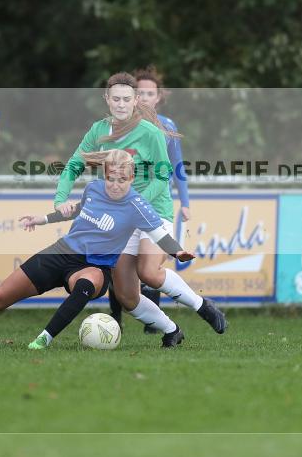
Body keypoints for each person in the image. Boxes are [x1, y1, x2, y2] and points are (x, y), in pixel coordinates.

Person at [0, 150, 195, 349]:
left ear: (131, 179)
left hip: (95, 266)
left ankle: (44, 338)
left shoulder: (137, 205)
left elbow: (159, 233)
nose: (115, 184)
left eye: (121, 179)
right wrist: (42, 219)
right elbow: (75, 210)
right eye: (110, 178)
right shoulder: (93, 189)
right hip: (61, 252)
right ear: (103, 176)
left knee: (86, 284)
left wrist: (177, 252)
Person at [54, 72, 227, 344]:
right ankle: (172, 330)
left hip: (153, 211)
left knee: (149, 272)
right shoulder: (99, 130)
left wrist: (137, 203)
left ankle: (202, 306)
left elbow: (163, 175)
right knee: (126, 295)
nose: (121, 105)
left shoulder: (151, 133)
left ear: (135, 100)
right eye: (115, 99)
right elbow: (75, 163)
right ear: (107, 100)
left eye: (126, 99)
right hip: (120, 218)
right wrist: (60, 199)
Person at [134, 66, 191, 331]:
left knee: (149, 263)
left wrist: (186, 203)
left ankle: (153, 322)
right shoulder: (122, 124)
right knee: (120, 258)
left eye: (149, 93)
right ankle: (116, 317)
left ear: (158, 97)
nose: (144, 97)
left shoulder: (167, 126)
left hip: (156, 203)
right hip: (126, 199)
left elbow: (177, 166)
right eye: (139, 92)